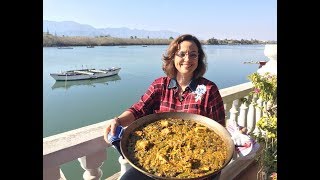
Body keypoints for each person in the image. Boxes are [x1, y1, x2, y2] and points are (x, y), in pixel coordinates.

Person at [104, 34, 226, 180]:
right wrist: (118, 121)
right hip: (155, 161)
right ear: (173, 57)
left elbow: (220, 132)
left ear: (198, 59)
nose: (187, 59)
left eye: (193, 55)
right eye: (182, 54)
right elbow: (139, 109)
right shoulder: (160, 85)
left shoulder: (208, 89)